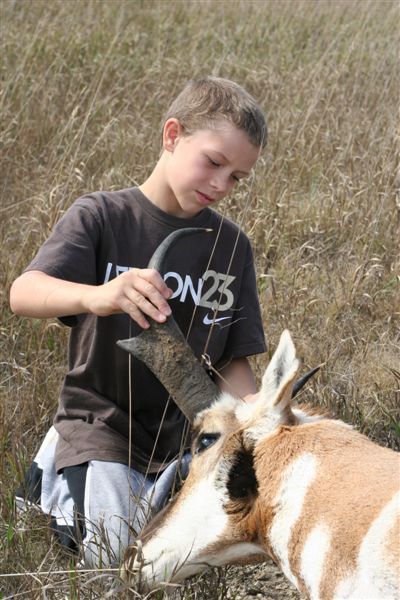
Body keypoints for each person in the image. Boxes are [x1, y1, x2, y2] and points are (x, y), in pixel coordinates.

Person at [9, 76, 267, 568]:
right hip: (100, 423)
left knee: (250, 535)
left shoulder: (232, 246)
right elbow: (23, 293)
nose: (220, 185)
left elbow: (233, 357)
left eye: (236, 177)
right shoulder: (102, 216)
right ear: (172, 135)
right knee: (116, 560)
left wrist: (256, 412)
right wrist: (99, 295)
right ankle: (53, 482)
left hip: (187, 437)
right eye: (213, 162)